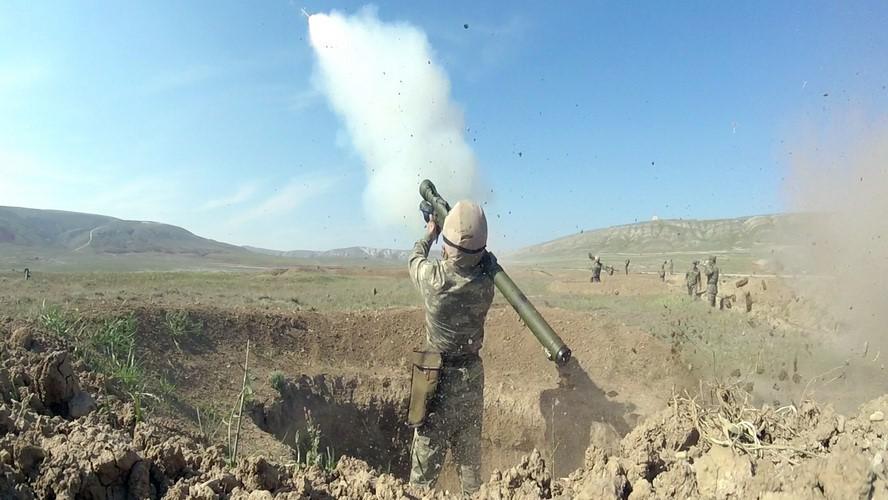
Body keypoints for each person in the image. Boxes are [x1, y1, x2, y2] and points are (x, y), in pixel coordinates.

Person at [408, 200, 494, 496]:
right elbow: (477, 260)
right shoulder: (487, 284)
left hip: (434, 381)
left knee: (422, 478)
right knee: (470, 472)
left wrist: (430, 232)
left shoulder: (434, 279)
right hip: (471, 379)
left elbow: (414, 258)